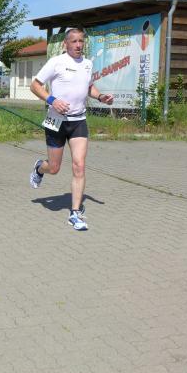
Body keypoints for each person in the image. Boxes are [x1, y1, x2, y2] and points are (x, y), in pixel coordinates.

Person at [28, 27, 114, 231]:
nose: (78, 45)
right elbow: (35, 85)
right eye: (74, 41)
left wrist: (101, 97)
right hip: (56, 120)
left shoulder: (87, 64)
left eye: (81, 41)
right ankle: (40, 168)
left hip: (78, 121)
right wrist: (52, 100)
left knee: (79, 166)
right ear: (65, 44)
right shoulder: (56, 62)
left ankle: (75, 213)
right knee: (54, 168)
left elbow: (89, 87)